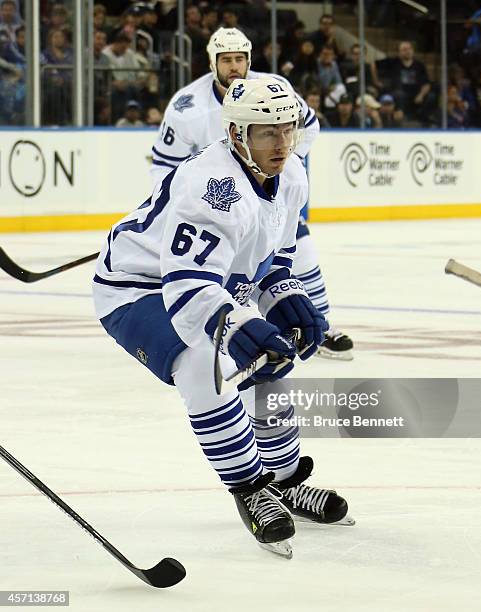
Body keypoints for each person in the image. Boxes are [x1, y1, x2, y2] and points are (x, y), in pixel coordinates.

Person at [93, 78, 353, 558]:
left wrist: (284, 294)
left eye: (288, 129)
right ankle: (250, 488)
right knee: (201, 365)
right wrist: (236, 326)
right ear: (237, 134)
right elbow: (187, 287)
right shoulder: (213, 188)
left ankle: (286, 480)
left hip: (206, 283)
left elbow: (276, 256)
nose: (282, 144)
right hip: (138, 287)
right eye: (267, 133)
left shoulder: (291, 173)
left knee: (272, 358)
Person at [150, 27, 354, 360]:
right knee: (212, 272)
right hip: (215, 205)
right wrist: (176, 207)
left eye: (240, 59)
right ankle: (219, 326)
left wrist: (284, 167)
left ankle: (320, 324)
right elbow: (163, 167)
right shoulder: (187, 106)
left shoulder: (273, 89)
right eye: (226, 59)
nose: (234, 66)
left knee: (299, 250)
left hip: (265, 195)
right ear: (212, 62)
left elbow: (309, 125)